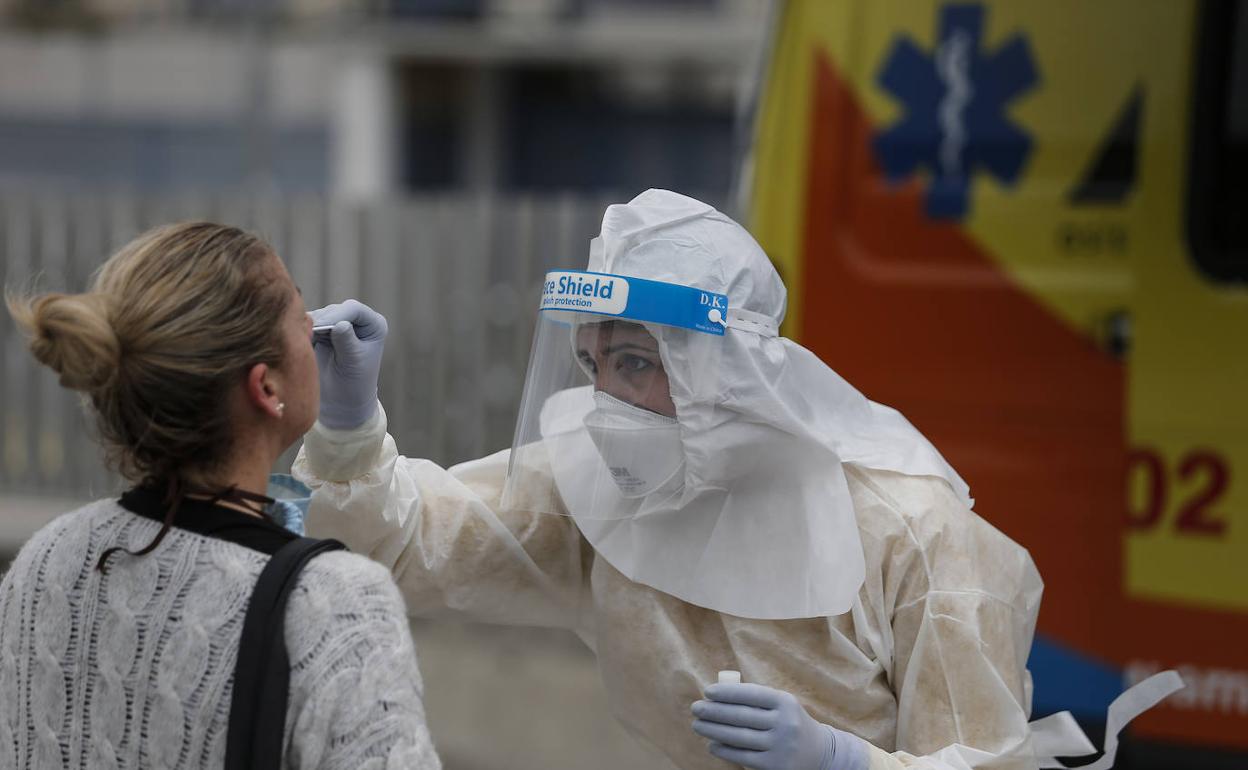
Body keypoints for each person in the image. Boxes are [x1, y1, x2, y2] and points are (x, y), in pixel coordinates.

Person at [295, 191, 1069, 770]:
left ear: (725, 370)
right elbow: (404, 547)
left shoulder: (911, 530)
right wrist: (349, 425)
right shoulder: (598, 492)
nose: (606, 406)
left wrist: (843, 761)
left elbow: (987, 761)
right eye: (593, 366)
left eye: (636, 363)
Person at [1, 223, 440, 769]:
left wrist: (351, 438)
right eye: (299, 314)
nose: (312, 326)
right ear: (266, 387)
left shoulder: (46, 559)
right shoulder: (334, 607)